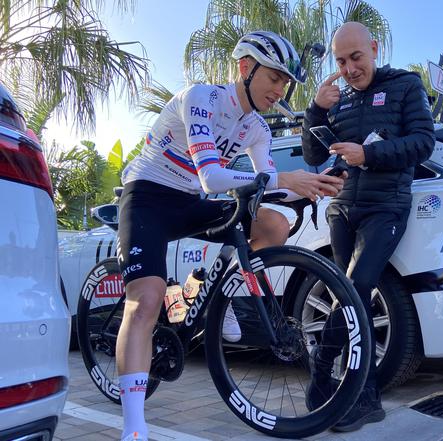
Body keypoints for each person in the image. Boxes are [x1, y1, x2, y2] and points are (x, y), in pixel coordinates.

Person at [115, 31, 345, 441]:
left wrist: (314, 182)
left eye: (286, 83)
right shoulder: (201, 97)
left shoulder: (257, 128)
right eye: (273, 78)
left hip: (188, 200)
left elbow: (267, 184)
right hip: (147, 194)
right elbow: (213, 176)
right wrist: (284, 178)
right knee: (146, 300)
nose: (280, 90)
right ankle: (134, 427)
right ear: (245, 68)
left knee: (273, 224)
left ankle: (216, 296)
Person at [301, 22, 435, 432]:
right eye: (341, 61)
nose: (349, 68)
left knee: (354, 291)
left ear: (374, 49)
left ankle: (324, 376)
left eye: (356, 58)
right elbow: (311, 154)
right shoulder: (336, 101)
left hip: (385, 207)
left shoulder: (405, 85)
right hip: (342, 211)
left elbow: (424, 142)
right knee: (350, 297)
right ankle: (366, 398)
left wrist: (368, 153)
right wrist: (316, 111)